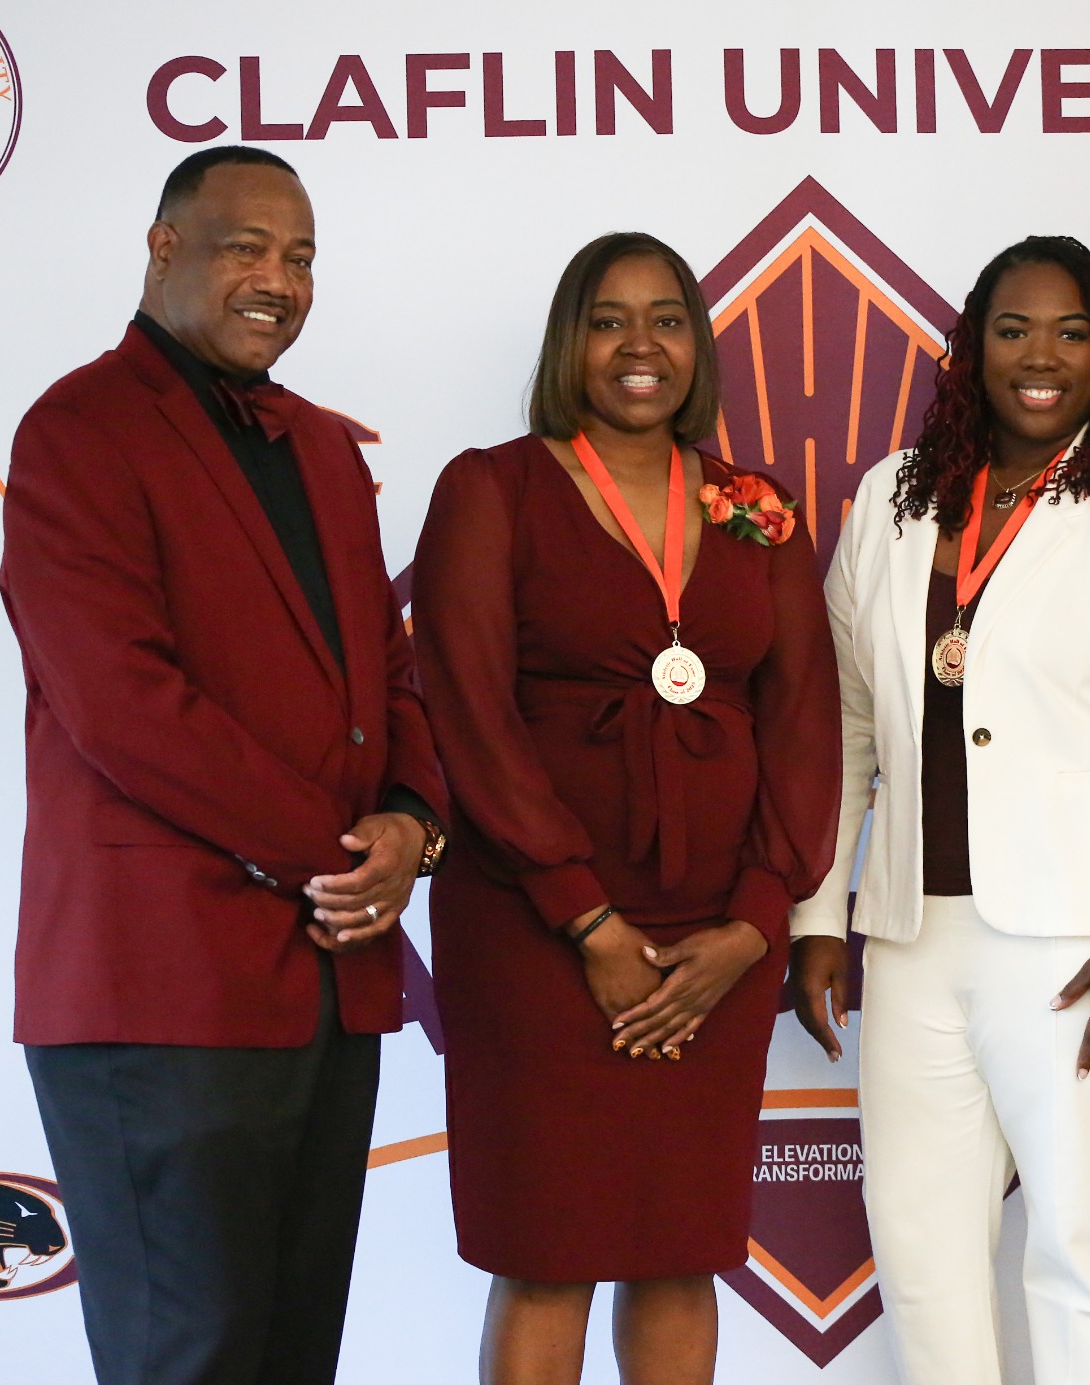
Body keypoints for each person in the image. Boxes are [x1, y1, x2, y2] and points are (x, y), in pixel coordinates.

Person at [1, 146, 447, 1384]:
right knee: (183, 1358)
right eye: (247, 246)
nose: (278, 278)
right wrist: (340, 854)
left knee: (289, 1355)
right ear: (162, 246)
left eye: (300, 257)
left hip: (325, 980)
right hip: (158, 990)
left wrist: (411, 821)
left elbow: (389, 673)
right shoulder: (75, 430)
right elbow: (123, 704)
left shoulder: (319, 447)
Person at [788, 236, 1090, 1385]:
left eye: (1070, 332)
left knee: (1085, 1249)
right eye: (1012, 330)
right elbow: (845, 725)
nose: (1039, 357)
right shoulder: (893, 500)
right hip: (913, 926)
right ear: (970, 348)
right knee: (921, 1245)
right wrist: (814, 914)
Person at [411, 232, 841, 1385]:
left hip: (719, 931)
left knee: (676, 1249)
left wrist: (755, 922)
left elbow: (803, 724)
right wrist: (586, 920)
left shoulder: (760, 508)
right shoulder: (491, 487)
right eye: (609, 319)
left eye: (665, 318)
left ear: (696, 346)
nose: (639, 345)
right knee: (547, 1252)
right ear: (570, 342)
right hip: (534, 930)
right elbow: (465, 710)